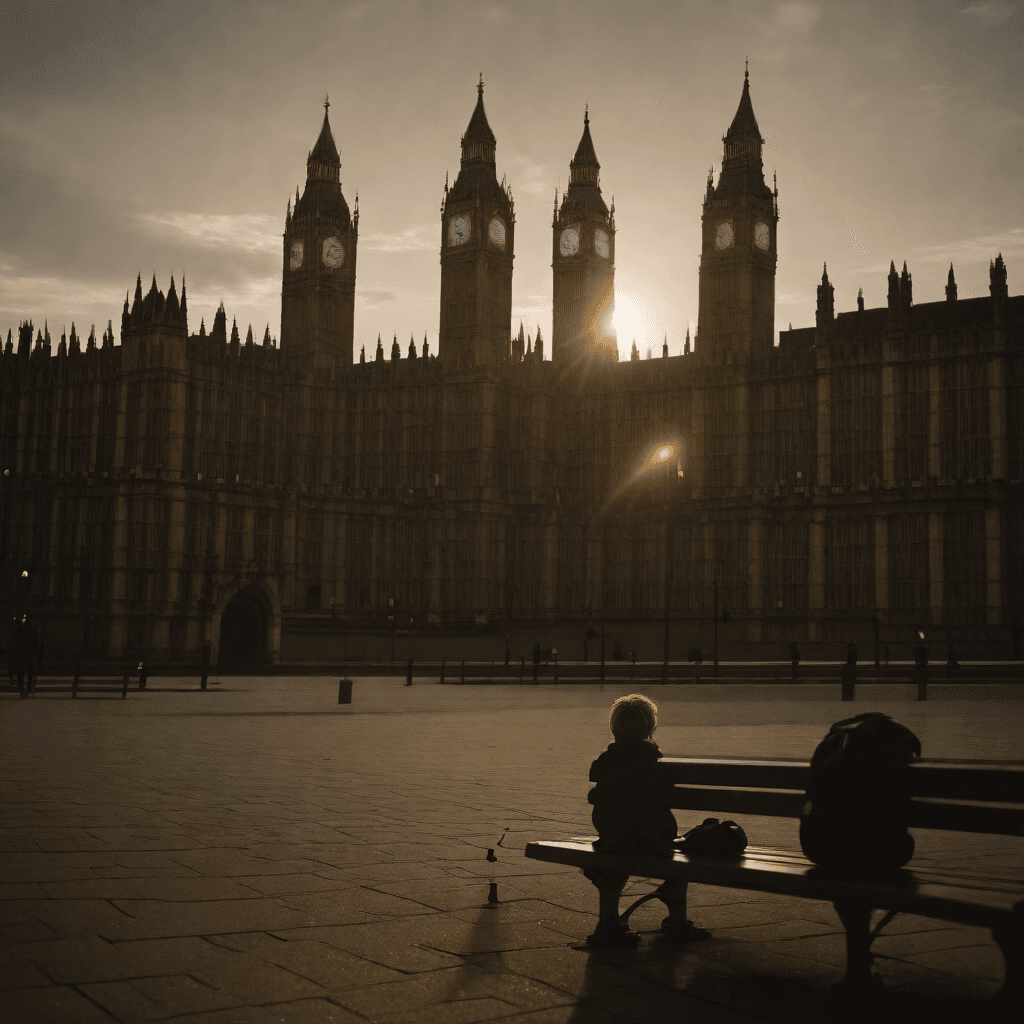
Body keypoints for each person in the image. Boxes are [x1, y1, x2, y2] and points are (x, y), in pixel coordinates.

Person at [581, 693, 711, 947]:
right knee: (679, 852)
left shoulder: (604, 762)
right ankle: (676, 918)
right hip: (653, 839)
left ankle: (608, 924)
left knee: (614, 858)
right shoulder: (655, 763)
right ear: (650, 727)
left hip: (612, 836)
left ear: (614, 726)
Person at [9, 615, 38, 698]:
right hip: (26, 653)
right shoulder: (30, 630)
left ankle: (23, 687)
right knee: (28, 671)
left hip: (22, 653)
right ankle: (27, 687)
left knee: (22, 671)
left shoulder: (20, 630)